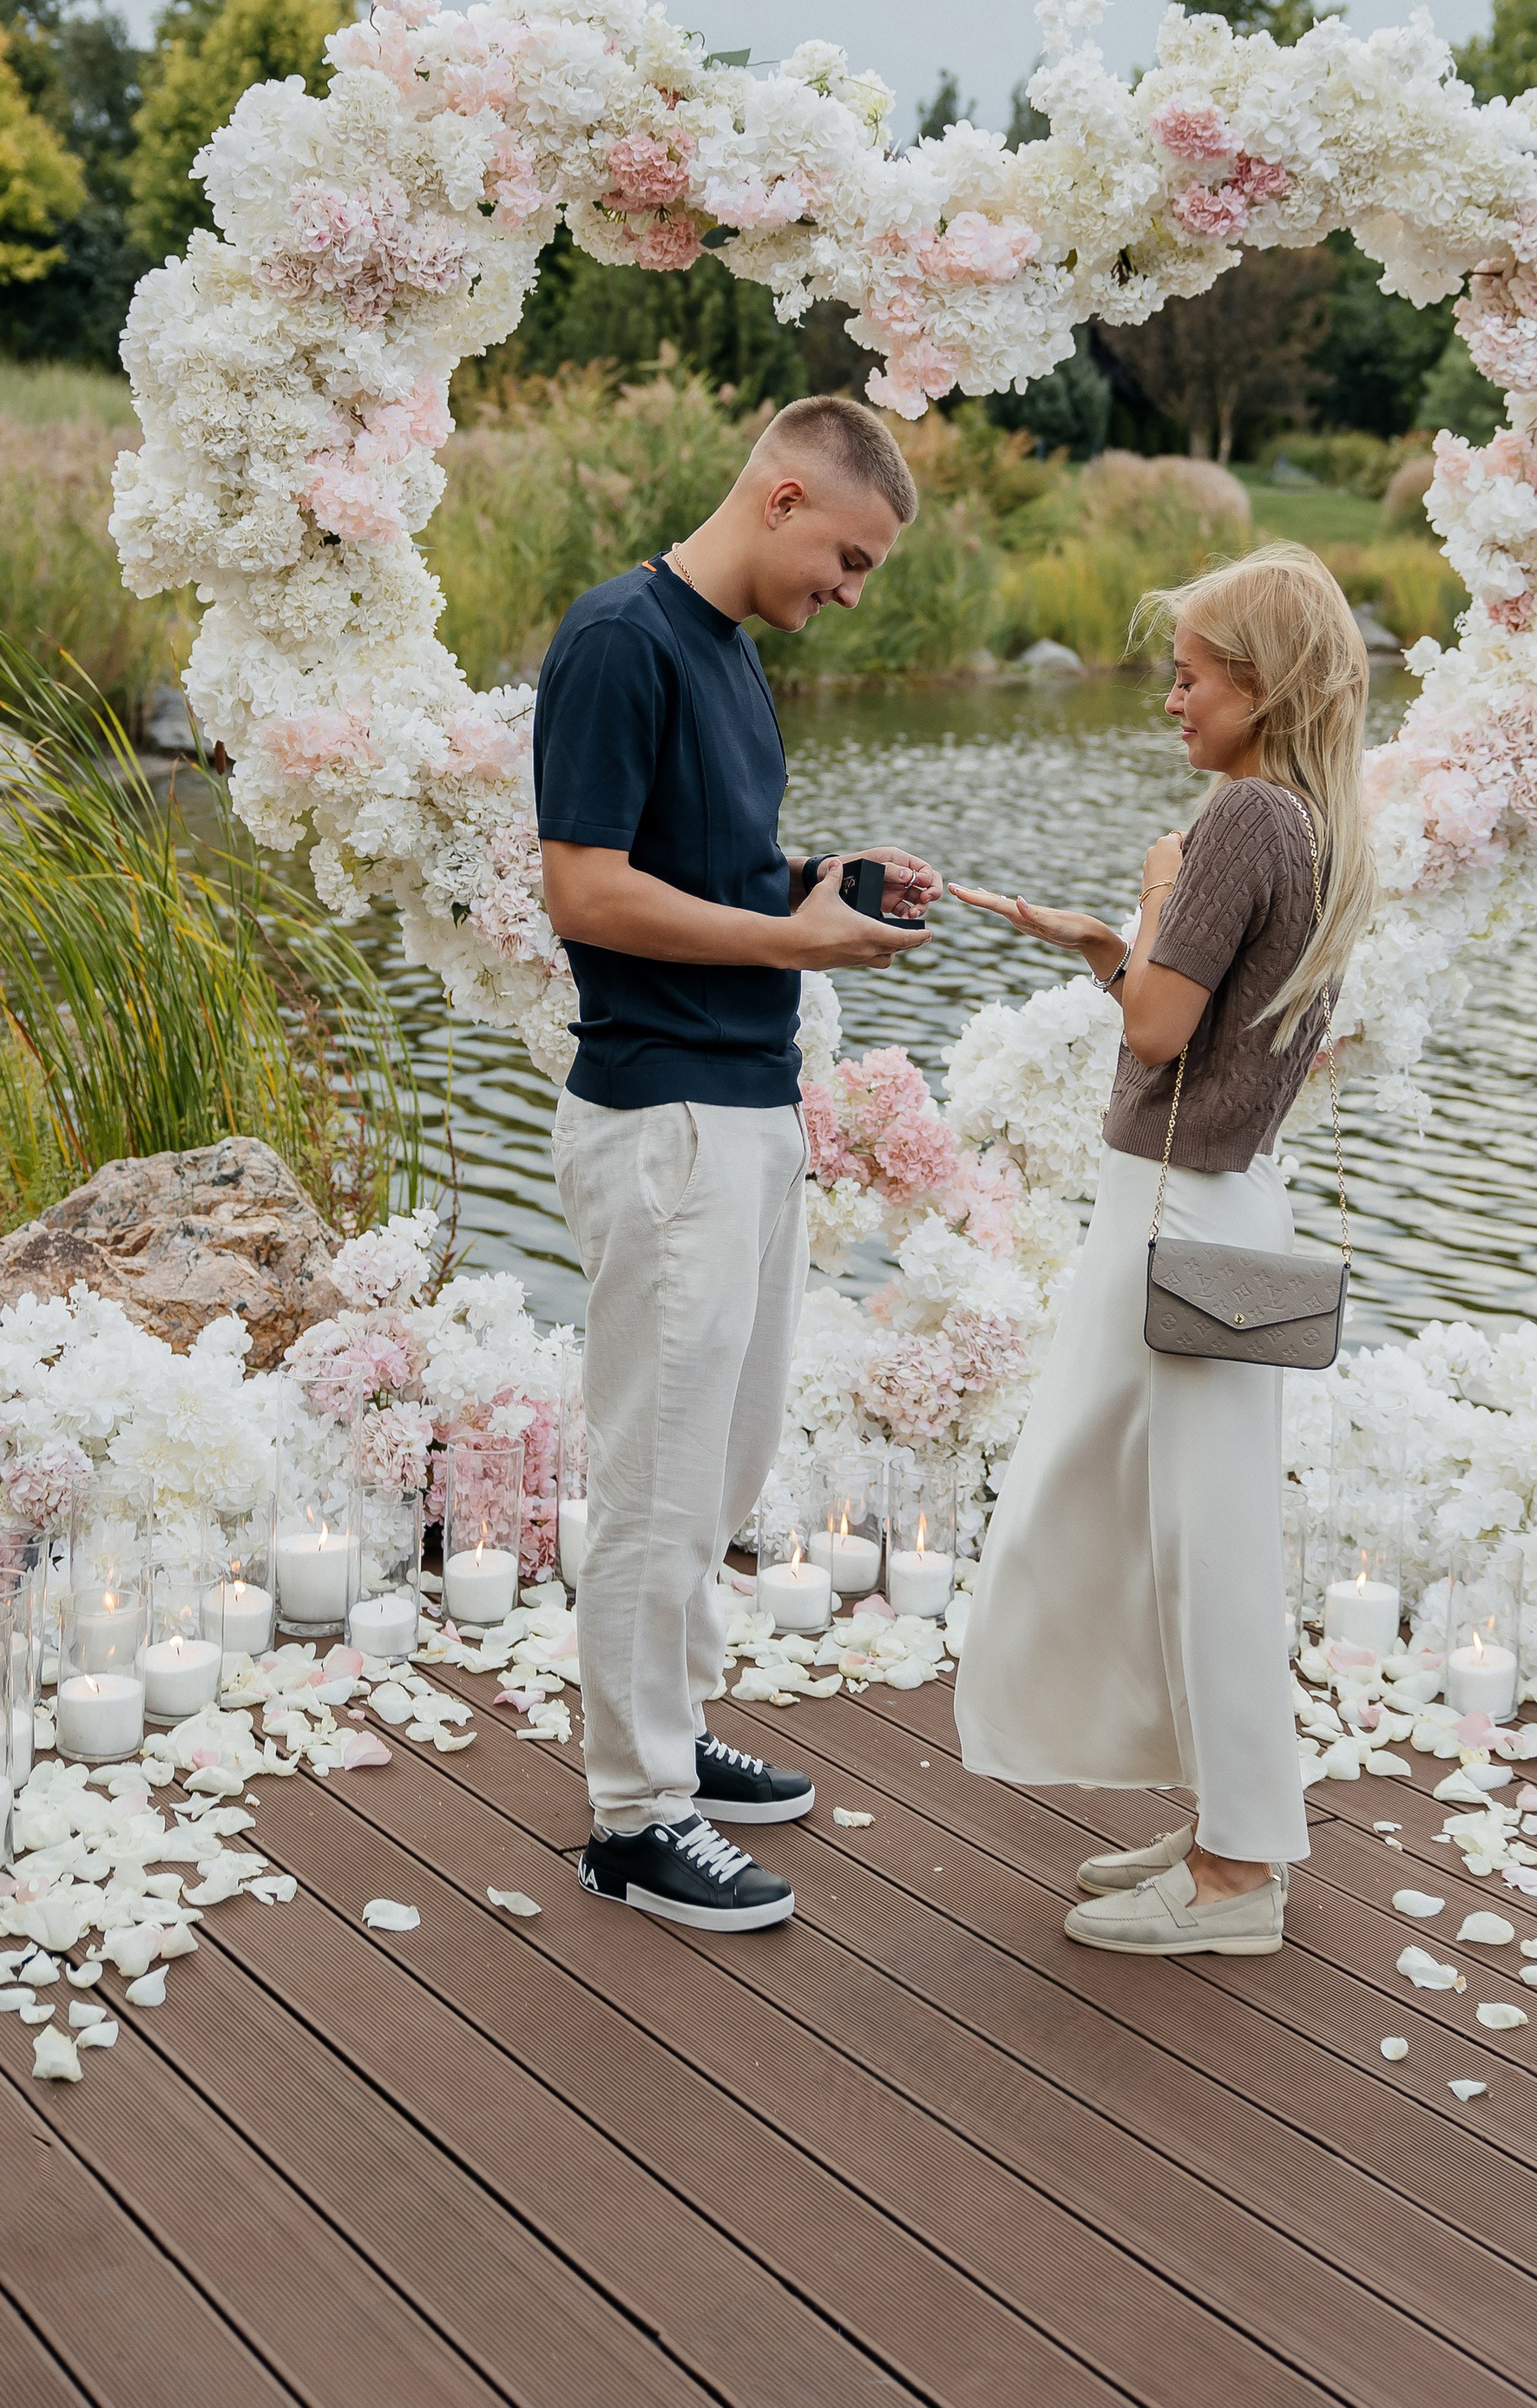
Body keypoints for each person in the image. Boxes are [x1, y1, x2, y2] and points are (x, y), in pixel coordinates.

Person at [536, 396, 941, 1933]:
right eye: (849, 554)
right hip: (666, 1118)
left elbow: (707, 866)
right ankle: (632, 1817)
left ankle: (674, 1733)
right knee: (657, 1464)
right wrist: (789, 937)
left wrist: (825, 880)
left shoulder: (732, 660)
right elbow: (586, 890)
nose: (853, 589)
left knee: (732, 1453)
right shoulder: (619, 639)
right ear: (779, 500)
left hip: (755, 1110)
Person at [951, 543, 1372, 1956]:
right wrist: (1101, 939)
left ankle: (1242, 1876)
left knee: (1198, 1538)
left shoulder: (1243, 822)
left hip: (1180, 1215)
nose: (1169, 696)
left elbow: (1156, 1030)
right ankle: (1223, 1828)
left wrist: (1145, 896)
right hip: (1205, 1204)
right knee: (1176, 1528)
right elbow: (1193, 1017)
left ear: (1263, 686)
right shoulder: (1307, 822)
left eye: (1190, 674)